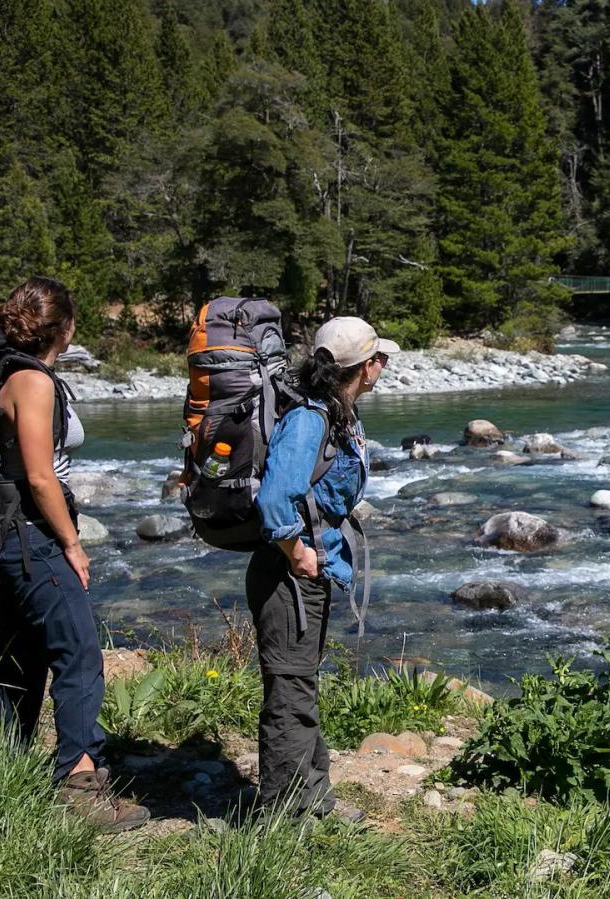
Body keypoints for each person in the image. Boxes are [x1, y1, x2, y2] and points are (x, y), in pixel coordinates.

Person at [0, 276, 149, 832]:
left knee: (21, 653)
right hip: (33, 536)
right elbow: (39, 476)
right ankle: (80, 789)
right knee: (79, 655)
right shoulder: (32, 381)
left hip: (10, 534)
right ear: (66, 327)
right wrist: (72, 543)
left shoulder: (7, 370)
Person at [246, 316, 398, 818]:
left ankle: (314, 798)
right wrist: (299, 553)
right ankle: (283, 816)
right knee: (290, 692)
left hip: (311, 570)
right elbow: (275, 500)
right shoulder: (309, 420)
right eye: (380, 357)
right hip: (288, 576)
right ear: (364, 367)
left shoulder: (337, 413)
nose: (384, 364)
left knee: (301, 684)